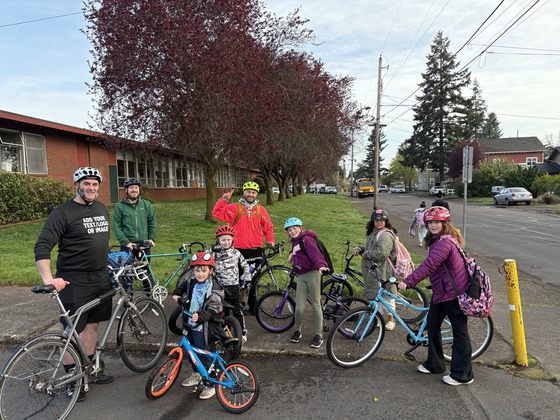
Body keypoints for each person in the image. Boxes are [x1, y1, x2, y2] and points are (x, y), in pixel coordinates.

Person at [34, 167, 114, 401]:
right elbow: (42, 246)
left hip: (100, 277)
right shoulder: (62, 213)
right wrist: (49, 279)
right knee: (71, 332)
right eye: (86, 183)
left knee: (92, 325)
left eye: (95, 184)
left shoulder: (101, 209)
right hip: (73, 280)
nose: (91, 188)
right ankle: (71, 378)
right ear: (76, 185)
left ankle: (88, 370)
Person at [398, 206, 474, 386]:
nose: (432, 225)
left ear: (444, 223)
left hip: (454, 294)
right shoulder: (437, 240)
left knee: (460, 333)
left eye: (436, 222)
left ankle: (463, 375)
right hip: (442, 292)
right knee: (432, 326)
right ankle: (435, 364)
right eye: (430, 222)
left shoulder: (444, 243)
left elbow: (429, 265)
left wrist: (408, 281)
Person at [212, 181, 275, 313]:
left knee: (254, 279)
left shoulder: (260, 209)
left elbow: (268, 226)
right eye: (248, 192)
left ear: (256, 194)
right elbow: (217, 213)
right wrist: (223, 200)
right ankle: (237, 304)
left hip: (256, 249)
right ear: (244, 192)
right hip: (238, 249)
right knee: (237, 278)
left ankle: (253, 305)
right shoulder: (235, 207)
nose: (250, 194)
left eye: (253, 192)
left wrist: (270, 241)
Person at [172, 251, 225, 400]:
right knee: (191, 352)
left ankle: (211, 383)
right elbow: (182, 286)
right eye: (197, 270)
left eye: (203, 270)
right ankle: (197, 373)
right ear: (192, 270)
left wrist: (201, 316)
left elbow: (215, 309)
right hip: (190, 325)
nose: (200, 274)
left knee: (204, 354)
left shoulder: (213, 287)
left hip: (204, 328)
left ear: (211, 271)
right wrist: (177, 293)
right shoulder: (191, 281)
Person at [284, 217, 330, 348]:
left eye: (294, 228)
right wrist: (291, 254)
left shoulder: (307, 239)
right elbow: (297, 249)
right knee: (299, 307)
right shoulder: (296, 241)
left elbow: (315, 254)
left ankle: (318, 335)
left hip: (313, 274)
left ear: (300, 228)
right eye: (290, 230)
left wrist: (321, 265)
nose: (292, 231)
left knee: (315, 304)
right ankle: (297, 330)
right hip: (301, 276)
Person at [352, 209, 398, 331]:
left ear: (386, 221)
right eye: (377, 220)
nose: (379, 222)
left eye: (382, 220)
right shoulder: (374, 232)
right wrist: (361, 249)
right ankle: (378, 318)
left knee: (388, 295)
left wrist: (365, 253)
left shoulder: (386, 234)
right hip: (374, 270)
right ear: (373, 221)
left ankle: (391, 319)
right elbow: (372, 248)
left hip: (384, 270)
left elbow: (381, 254)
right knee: (377, 295)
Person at [213, 225, 251, 343]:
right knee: (223, 310)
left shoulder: (236, 253)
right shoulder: (214, 253)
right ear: (218, 240)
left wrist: (247, 275)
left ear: (232, 240)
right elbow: (206, 263)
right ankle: (226, 329)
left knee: (237, 309)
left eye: (229, 239)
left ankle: (242, 331)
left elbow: (245, 265)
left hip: (234, 286)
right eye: (223, 240)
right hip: (220, 286)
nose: (226, 242)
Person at [112, 178, 156, 255]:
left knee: (145, 267)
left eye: (136, 187)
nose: (134, 190)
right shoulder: (120, 207)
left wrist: (152, 239)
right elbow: (116, 226)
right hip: (127, 245)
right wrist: (125, 242)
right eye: (131, 188)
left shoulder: (146, 205)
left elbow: (152, 223)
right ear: (126, 190)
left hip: (144, 245)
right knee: (127, 267)